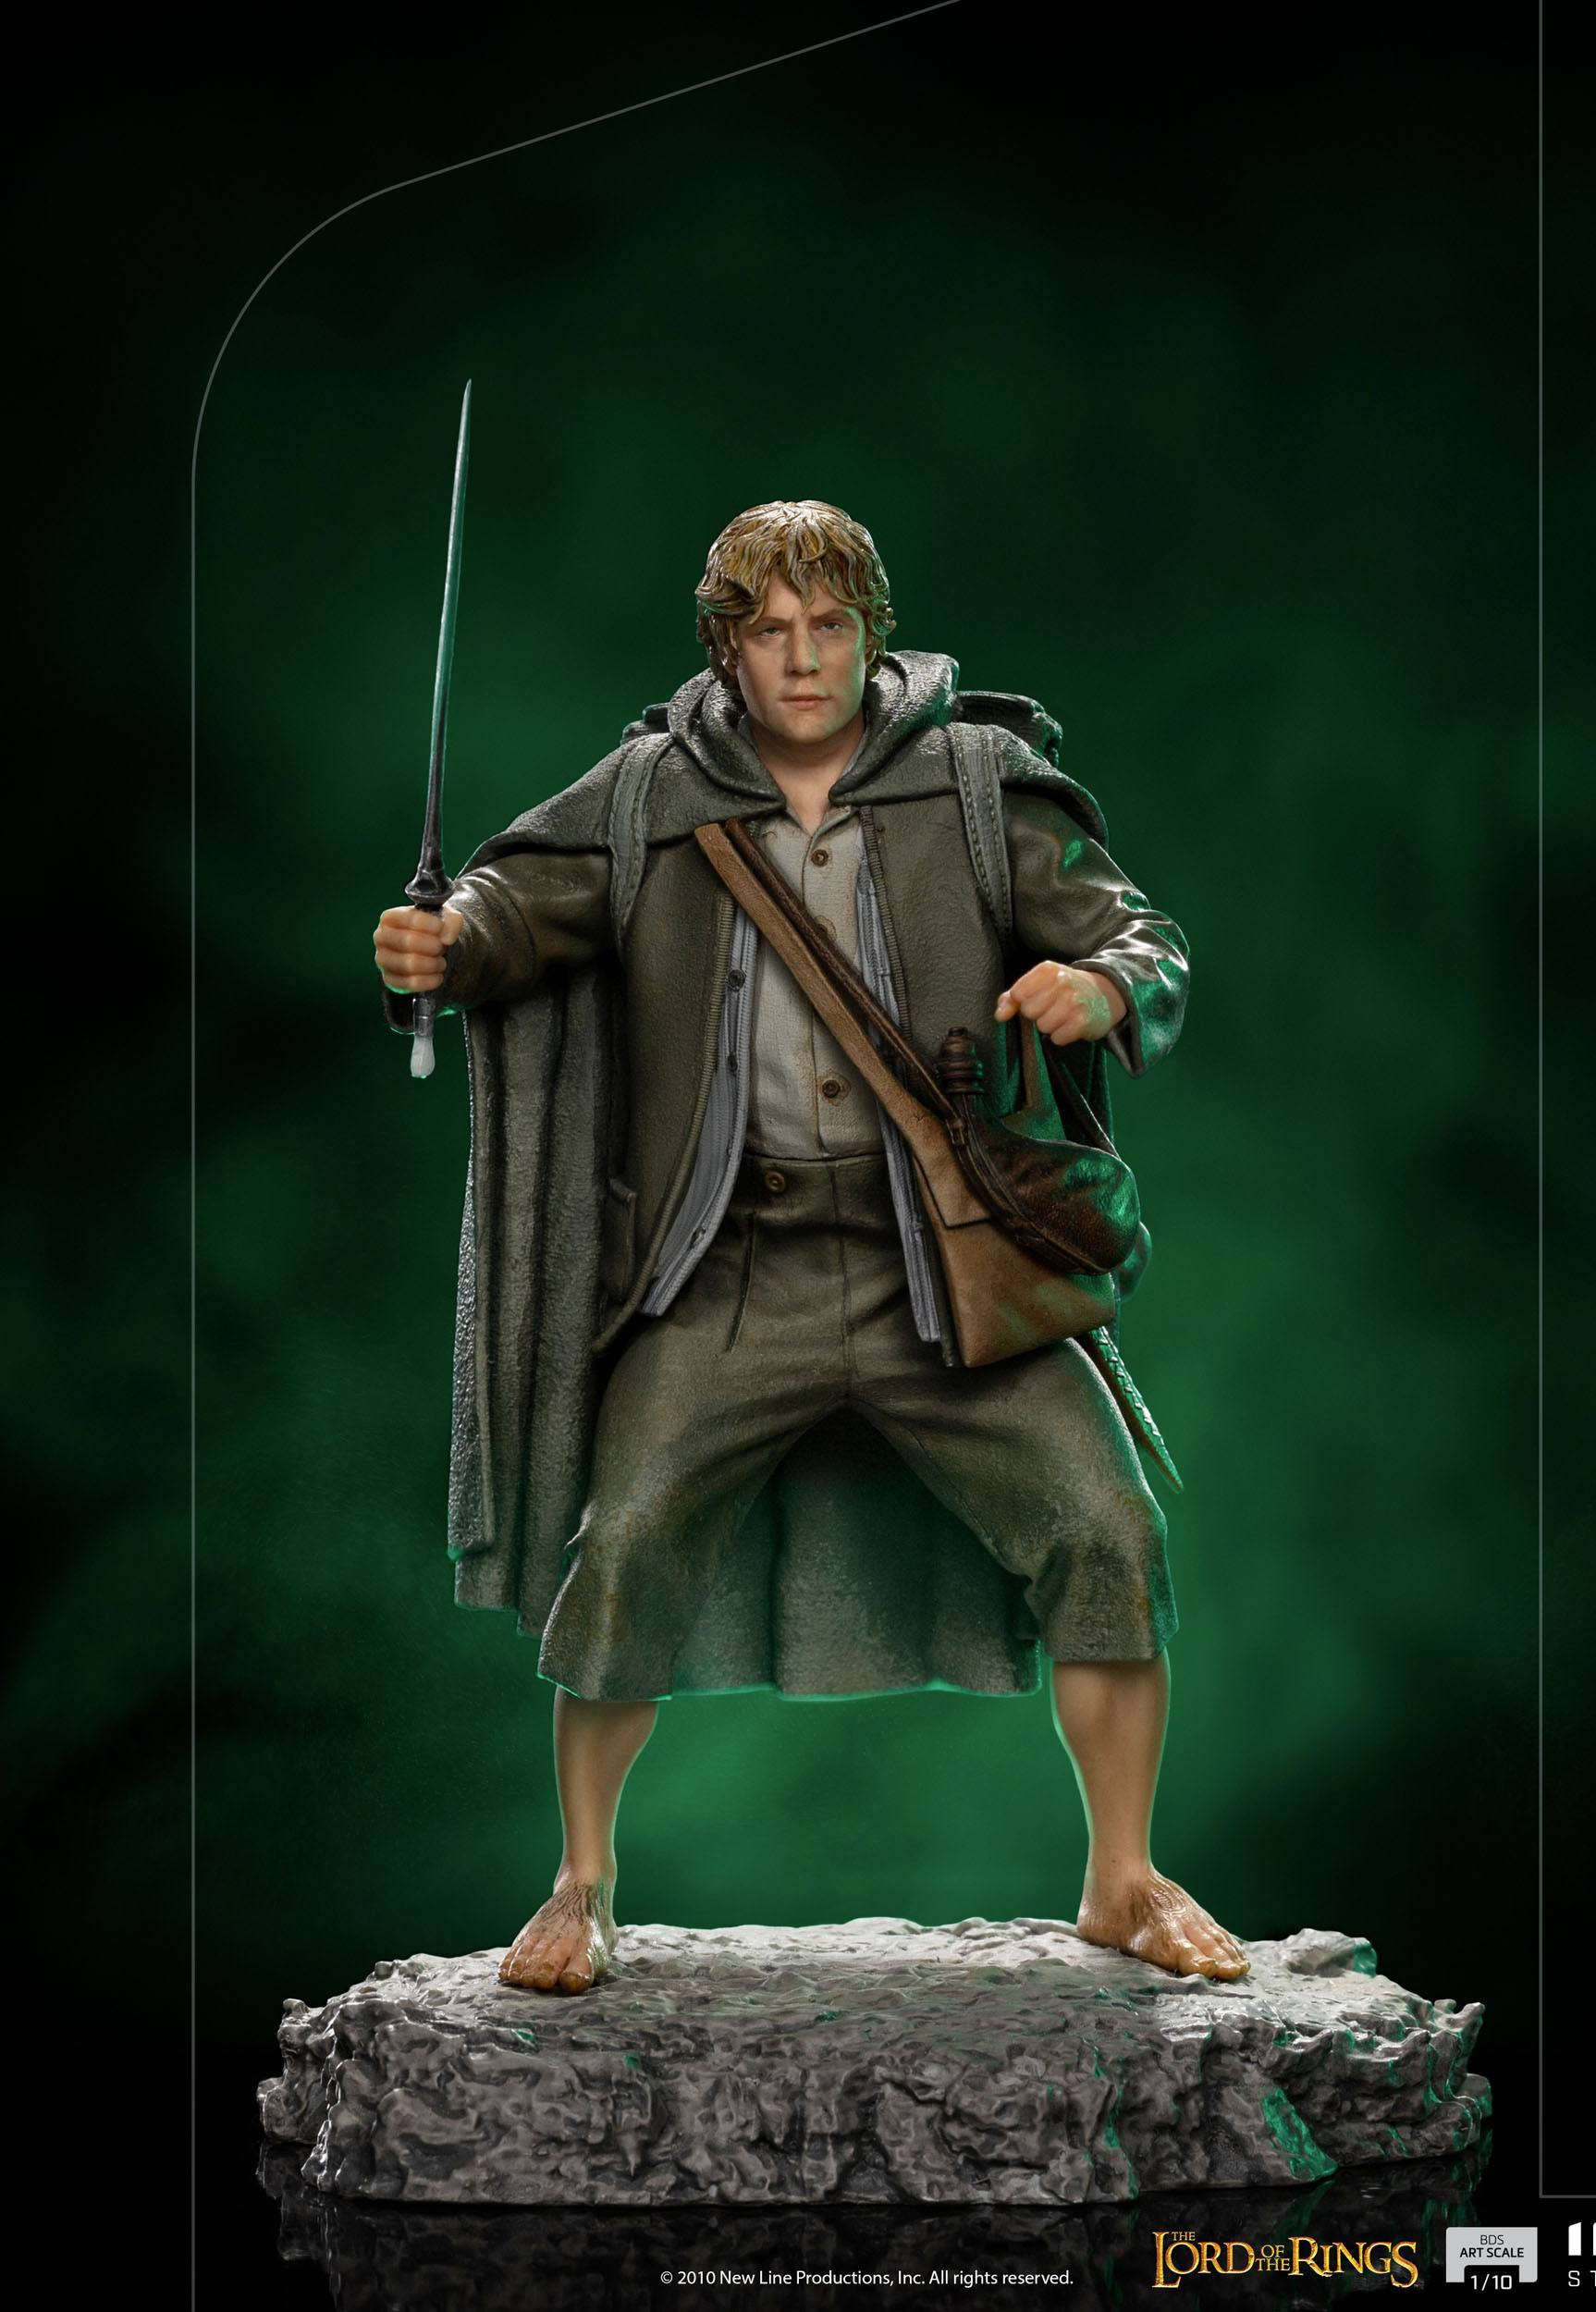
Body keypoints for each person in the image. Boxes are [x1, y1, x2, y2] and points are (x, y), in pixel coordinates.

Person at [374, 500, 1247, 1996]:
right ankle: (582, 1883)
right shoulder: (654, 789)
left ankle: (1123, 1879)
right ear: (725, 645)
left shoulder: (973, 778)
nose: (802, 658)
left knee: (1108, 1530)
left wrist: (1106, 988)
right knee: (624, 1544)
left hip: (944, 1263)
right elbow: (519, 905)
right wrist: (441, 949)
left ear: (869, 632)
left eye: (830, 626)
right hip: (732, 1266)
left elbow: (1141, 935)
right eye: (770, 630)